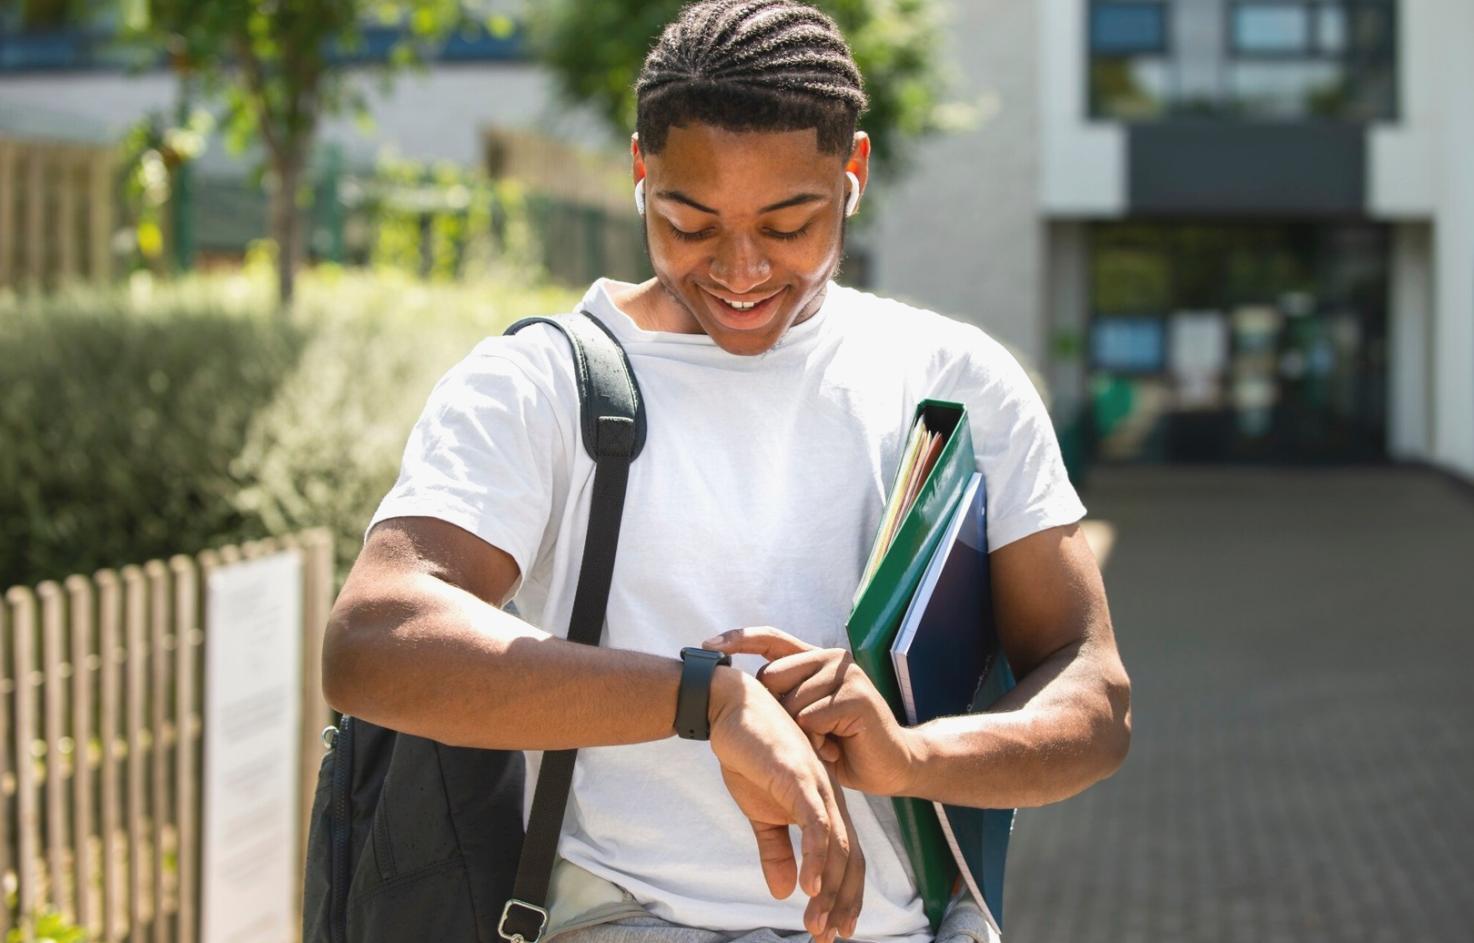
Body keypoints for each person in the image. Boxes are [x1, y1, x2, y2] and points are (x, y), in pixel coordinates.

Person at [322, 2, 1132, 942]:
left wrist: (910, 755)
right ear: (640, 172)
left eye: (790, 223)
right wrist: (706, 700)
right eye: (689, 219)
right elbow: (374, 636)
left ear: (853, 173)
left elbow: (1093, 692)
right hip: (622, 919)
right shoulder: (540, 383)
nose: (741, 269)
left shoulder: (953, 383)